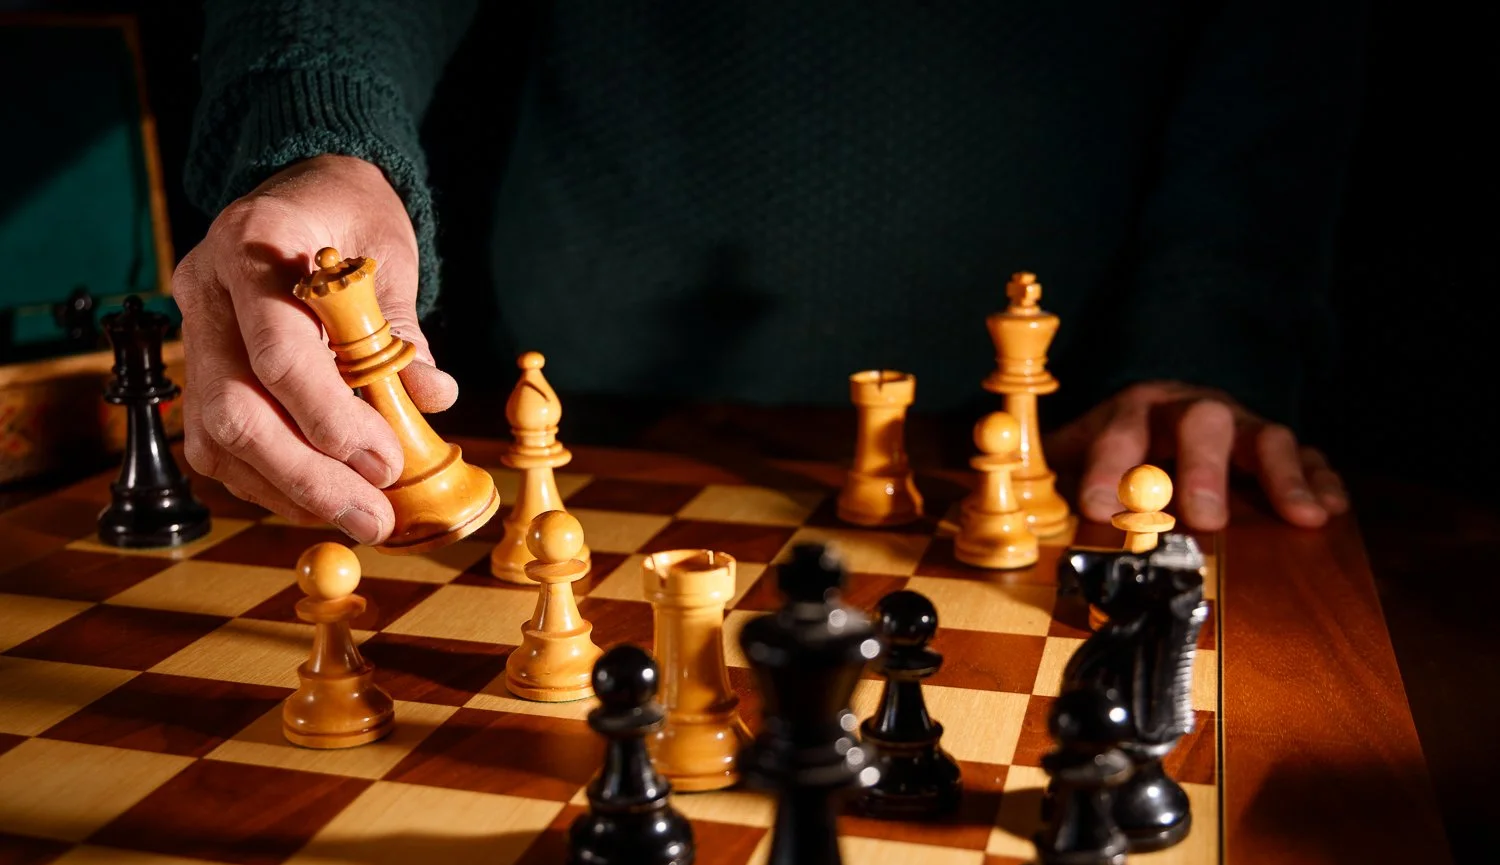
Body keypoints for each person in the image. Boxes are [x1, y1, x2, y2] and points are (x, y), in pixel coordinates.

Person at [172, 2, 1363, 548]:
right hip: (604, 407)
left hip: (1084, 431)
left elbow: (1281, 41)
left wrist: (1211, 328)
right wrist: (320, 138)